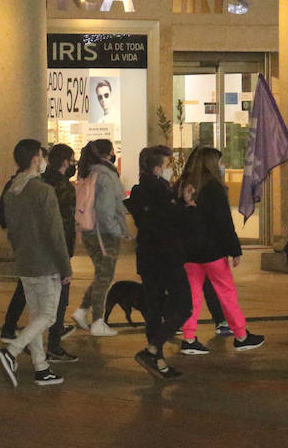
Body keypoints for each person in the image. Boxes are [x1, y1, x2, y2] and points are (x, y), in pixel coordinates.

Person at [0, 139, 72, 387]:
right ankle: (12, 351)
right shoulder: (43, 191)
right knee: (48, 316)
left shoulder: (13, 190)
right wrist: (65, 266)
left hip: (25, 262)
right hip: (46, 263)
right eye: (42, 155)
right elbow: (55, 232)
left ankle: (41, 367)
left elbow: (10, 229)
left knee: (36, 315)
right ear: (35, 159)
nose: (44, 160)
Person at [176, 146, 264, 355]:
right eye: (220, 162)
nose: (222, 166)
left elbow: (177, 218)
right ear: (212, 163)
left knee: (193, 295)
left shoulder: (183, 186)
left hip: (189, 253)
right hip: (212, 251)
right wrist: (234, 249)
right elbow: (223, 222)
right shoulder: (214, 187)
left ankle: (189, 338)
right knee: (226, 292)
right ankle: (241, 335)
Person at [126, 145, 196, 379]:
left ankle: (158, 361)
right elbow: (174, 223)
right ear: (158, 167)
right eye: (167, 165)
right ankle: (153, 349)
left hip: (147, 257)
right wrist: (186, 204)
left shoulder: (139, 191)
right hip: (167, 258)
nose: (169, 170)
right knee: (184, 306)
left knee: (154, 309)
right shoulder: (161, 192)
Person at [72, 139, 129, 338]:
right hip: (103, 233)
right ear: (109, 153)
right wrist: (116, 230)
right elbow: (106, 210)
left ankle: (82, 311)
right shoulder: (106, 175)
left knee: (101, 275)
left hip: (91, 231)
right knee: (105, 276)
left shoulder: (90, 172)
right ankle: (98, 321)